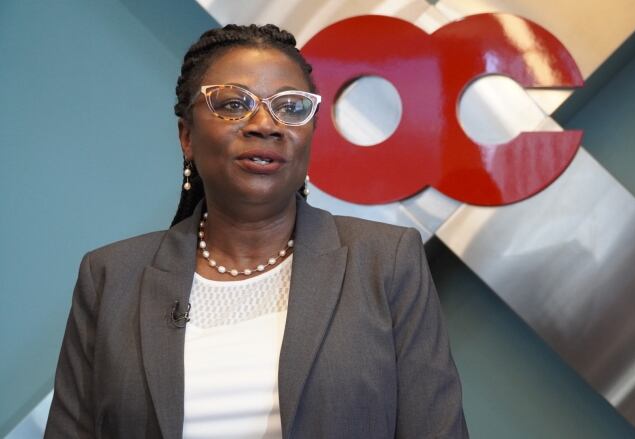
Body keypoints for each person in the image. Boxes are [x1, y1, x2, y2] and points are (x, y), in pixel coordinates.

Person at [44, 24, 468, 439]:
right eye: (233, 104)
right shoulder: (111, 277)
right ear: (186, 136)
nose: (265, 124)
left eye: (291, 107)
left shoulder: (385, 261)